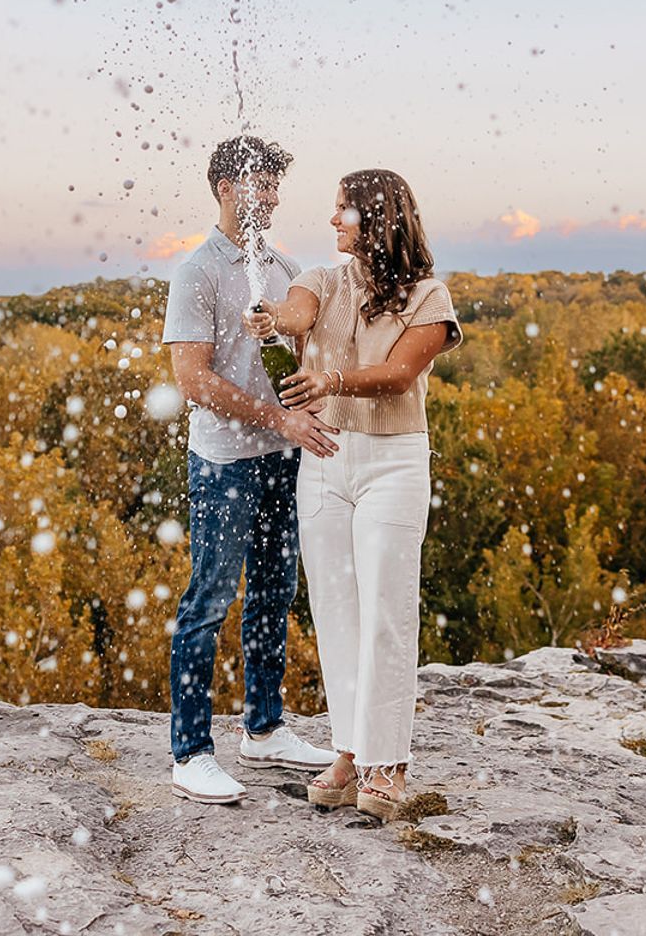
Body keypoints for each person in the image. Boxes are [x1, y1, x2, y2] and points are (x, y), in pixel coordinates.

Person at [242, 168, 461, 821]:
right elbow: (295, 311)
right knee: (336, 614)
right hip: (326, 462)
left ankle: (388, 762)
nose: (333, 221)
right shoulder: (322, 279)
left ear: (381, 218)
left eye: (345, 211)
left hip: (392, 464)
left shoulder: (428, 295)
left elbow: (397, 377)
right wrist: (269, 317)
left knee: (386, 614)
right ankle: (349, 750)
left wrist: (331, 379)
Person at [160, 135, 343, 804]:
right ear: (225, 188)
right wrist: (278, 421)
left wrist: (310, 403)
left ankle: (264, 729)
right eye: (259, 185)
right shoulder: (197, 272)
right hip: (225, 465)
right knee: (209, 599)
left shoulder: (287, 268)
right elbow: (192, 379)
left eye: (274, 187)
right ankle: (190, 752)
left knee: (273, 592)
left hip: (284, 459)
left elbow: (297, 370)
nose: (269, 197)